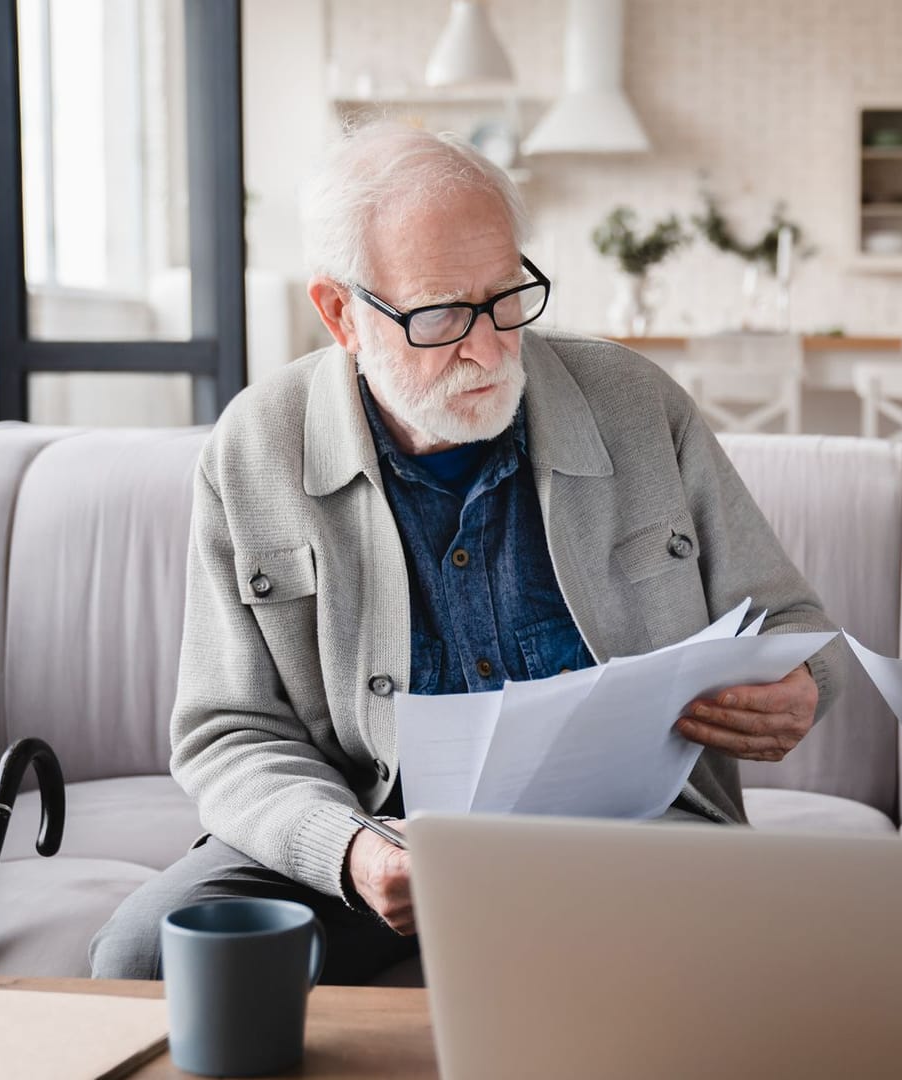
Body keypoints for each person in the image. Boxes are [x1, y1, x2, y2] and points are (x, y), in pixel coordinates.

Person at [90, 121, 846, 982]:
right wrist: (351, 851)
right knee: (144, 957)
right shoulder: (253, 450)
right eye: (442, 314)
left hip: (630, 840)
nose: (488, 348)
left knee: (772, 958)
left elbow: (797, 627)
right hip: (372, 839)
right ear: (342, 313)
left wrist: (800, 691)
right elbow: (228, 730)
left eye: (506, 297)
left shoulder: (638, 406)